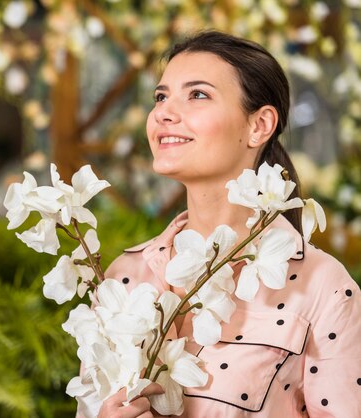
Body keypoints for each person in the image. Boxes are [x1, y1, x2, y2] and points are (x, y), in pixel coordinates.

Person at [91, 30, 361, 418]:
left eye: (197, 94)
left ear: (259, 125)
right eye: (161, 96)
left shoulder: (323, 289)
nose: (165, 112)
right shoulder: (124, 277)